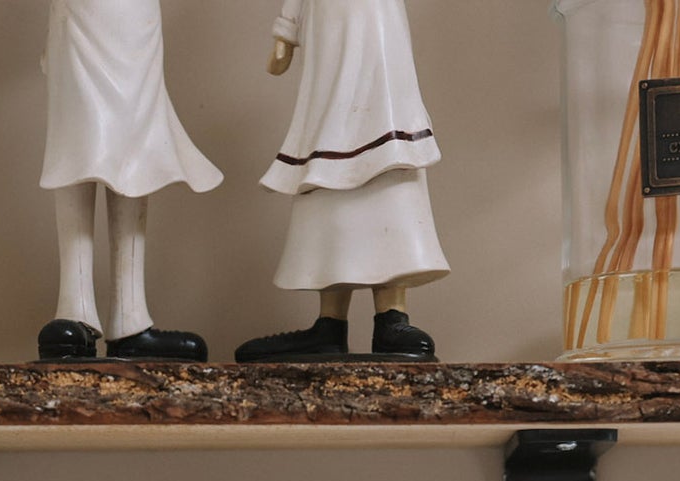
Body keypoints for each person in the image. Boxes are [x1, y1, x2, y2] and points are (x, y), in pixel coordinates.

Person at [237, 0, 448, 362]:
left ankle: (391, 316)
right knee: (327, 153)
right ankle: (329, 323)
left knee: (387, 155)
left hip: (378, 31)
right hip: (329, 36)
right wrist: (286, 30)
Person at [39, 0, 223, 361]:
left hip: (135, 18)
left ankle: (130, 316)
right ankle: (74, 308)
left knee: (138, 144)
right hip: (79, 12)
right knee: (76, 139)